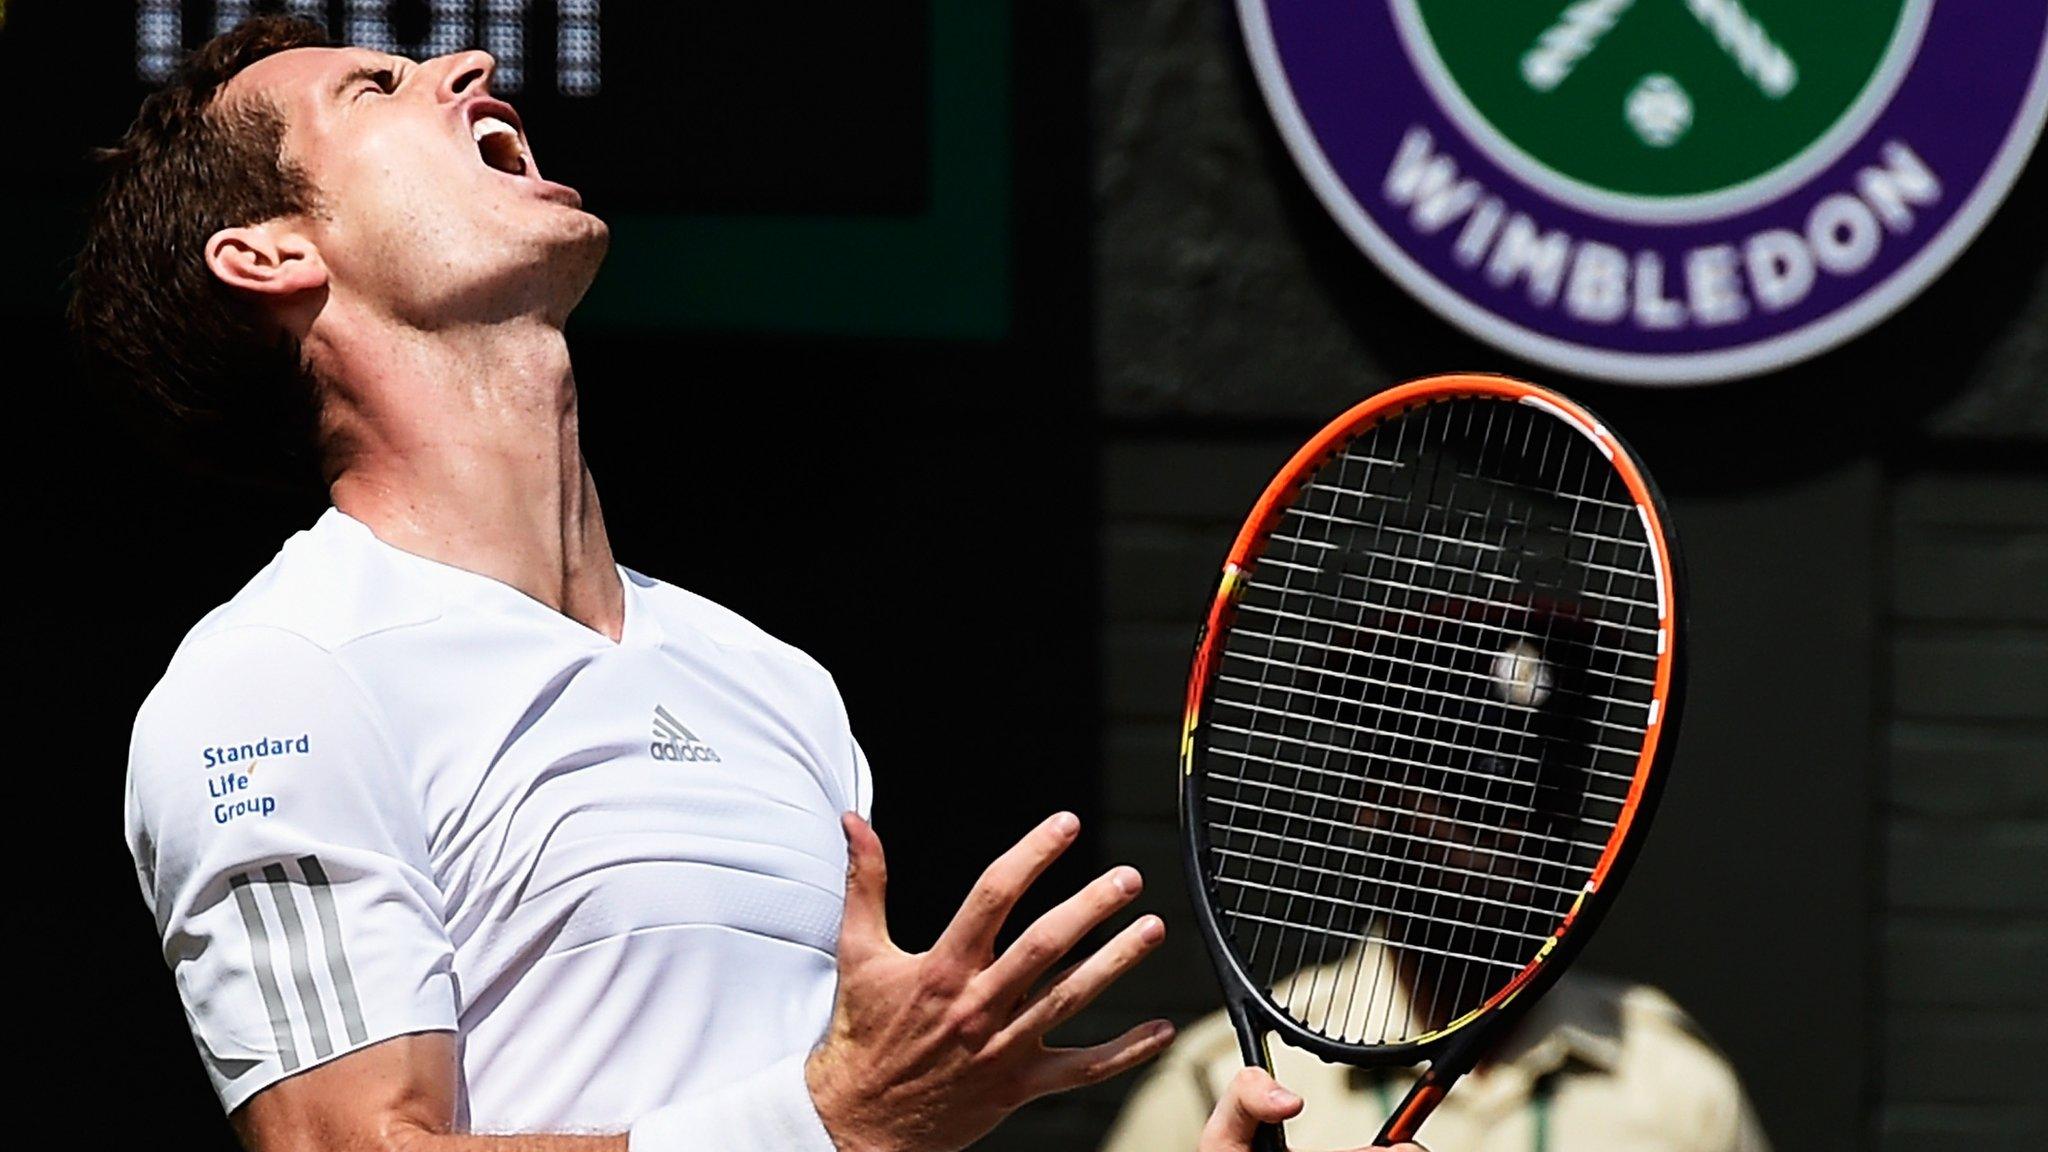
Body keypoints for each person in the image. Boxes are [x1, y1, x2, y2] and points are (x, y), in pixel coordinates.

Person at [77, 18, 1422, 1152]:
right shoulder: (280, 680)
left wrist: (846, 1120)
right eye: (373, 89)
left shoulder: (777, 685)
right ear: (268, 254)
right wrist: (829, 1116)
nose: (472, 65)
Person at [1104, 950, 1771, 1152]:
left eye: (1542, 786)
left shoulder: (1681, 1088)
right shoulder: (1223, 1081)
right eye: (1455, 778)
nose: (1499, 814)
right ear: (1373, 800)